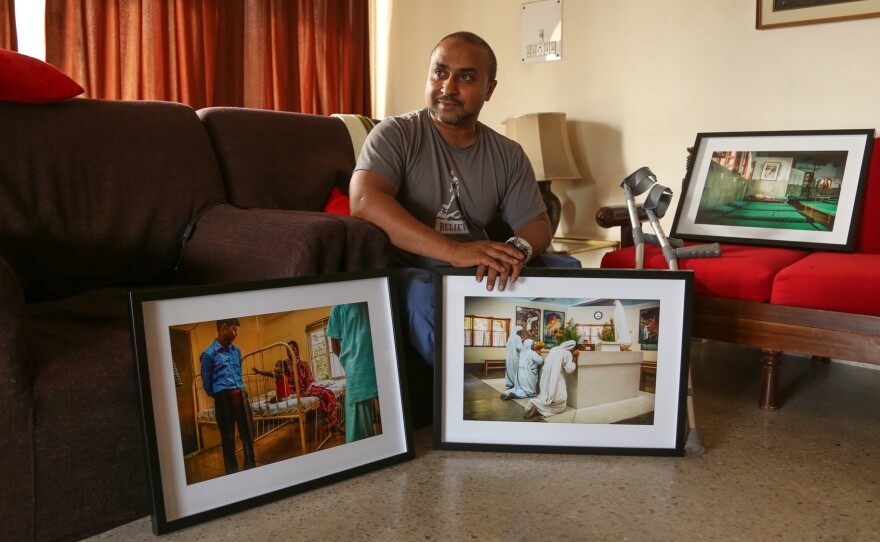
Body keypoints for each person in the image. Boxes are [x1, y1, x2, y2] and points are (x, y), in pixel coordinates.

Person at [350, 31, 580, 367]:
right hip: (411, 268)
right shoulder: (396, 134)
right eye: (440, 73)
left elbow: (536, 224)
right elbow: (365, 200)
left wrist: (514, 252)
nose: (448, 87)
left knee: (569, 269)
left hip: (475, 269)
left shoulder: (508, 153)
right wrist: (454, 251)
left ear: (489, 89)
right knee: (431, 300)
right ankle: (464, 406)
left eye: (466, 77)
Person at [200, 318, 256, 474]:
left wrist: (238, 390)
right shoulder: (208, 354)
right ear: (224, 328)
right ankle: (232, 474)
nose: (236, 333)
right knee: (228, 438)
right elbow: (207, 382)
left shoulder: (236, 351)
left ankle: (251, 469)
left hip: (240, 394)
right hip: (223, 398)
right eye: (234, 329)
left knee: (248, 434)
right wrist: (221, 395)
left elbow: (238, 372)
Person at [252, 340, 338, 430]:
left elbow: (309, 381)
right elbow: (277, 373)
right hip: (293, 392)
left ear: (297, 350)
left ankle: (329, 422)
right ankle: (330, 425)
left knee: (327, 392)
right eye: (288, 350)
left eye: (292, 350)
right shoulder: (285, 364)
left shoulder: (303, 364)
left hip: (304, 389)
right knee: (324, 393)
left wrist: (308, 389)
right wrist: (260, 372)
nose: (290, 352)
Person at [327, 302, 379, 443]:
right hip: (357, 365)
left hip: (369, 362)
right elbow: (335, 346)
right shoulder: (339, 306)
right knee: (360, 431)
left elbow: (335, 347)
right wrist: (350, 363)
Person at [523, 340, 578, 419]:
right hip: (557, 378)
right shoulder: (567, 353)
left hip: (547, 376)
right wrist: (575, 357)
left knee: (548, 396)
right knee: (560, 399)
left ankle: (536, 406)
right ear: (571, 347)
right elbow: (569, 369)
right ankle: (538, 409)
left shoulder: (554, 350)